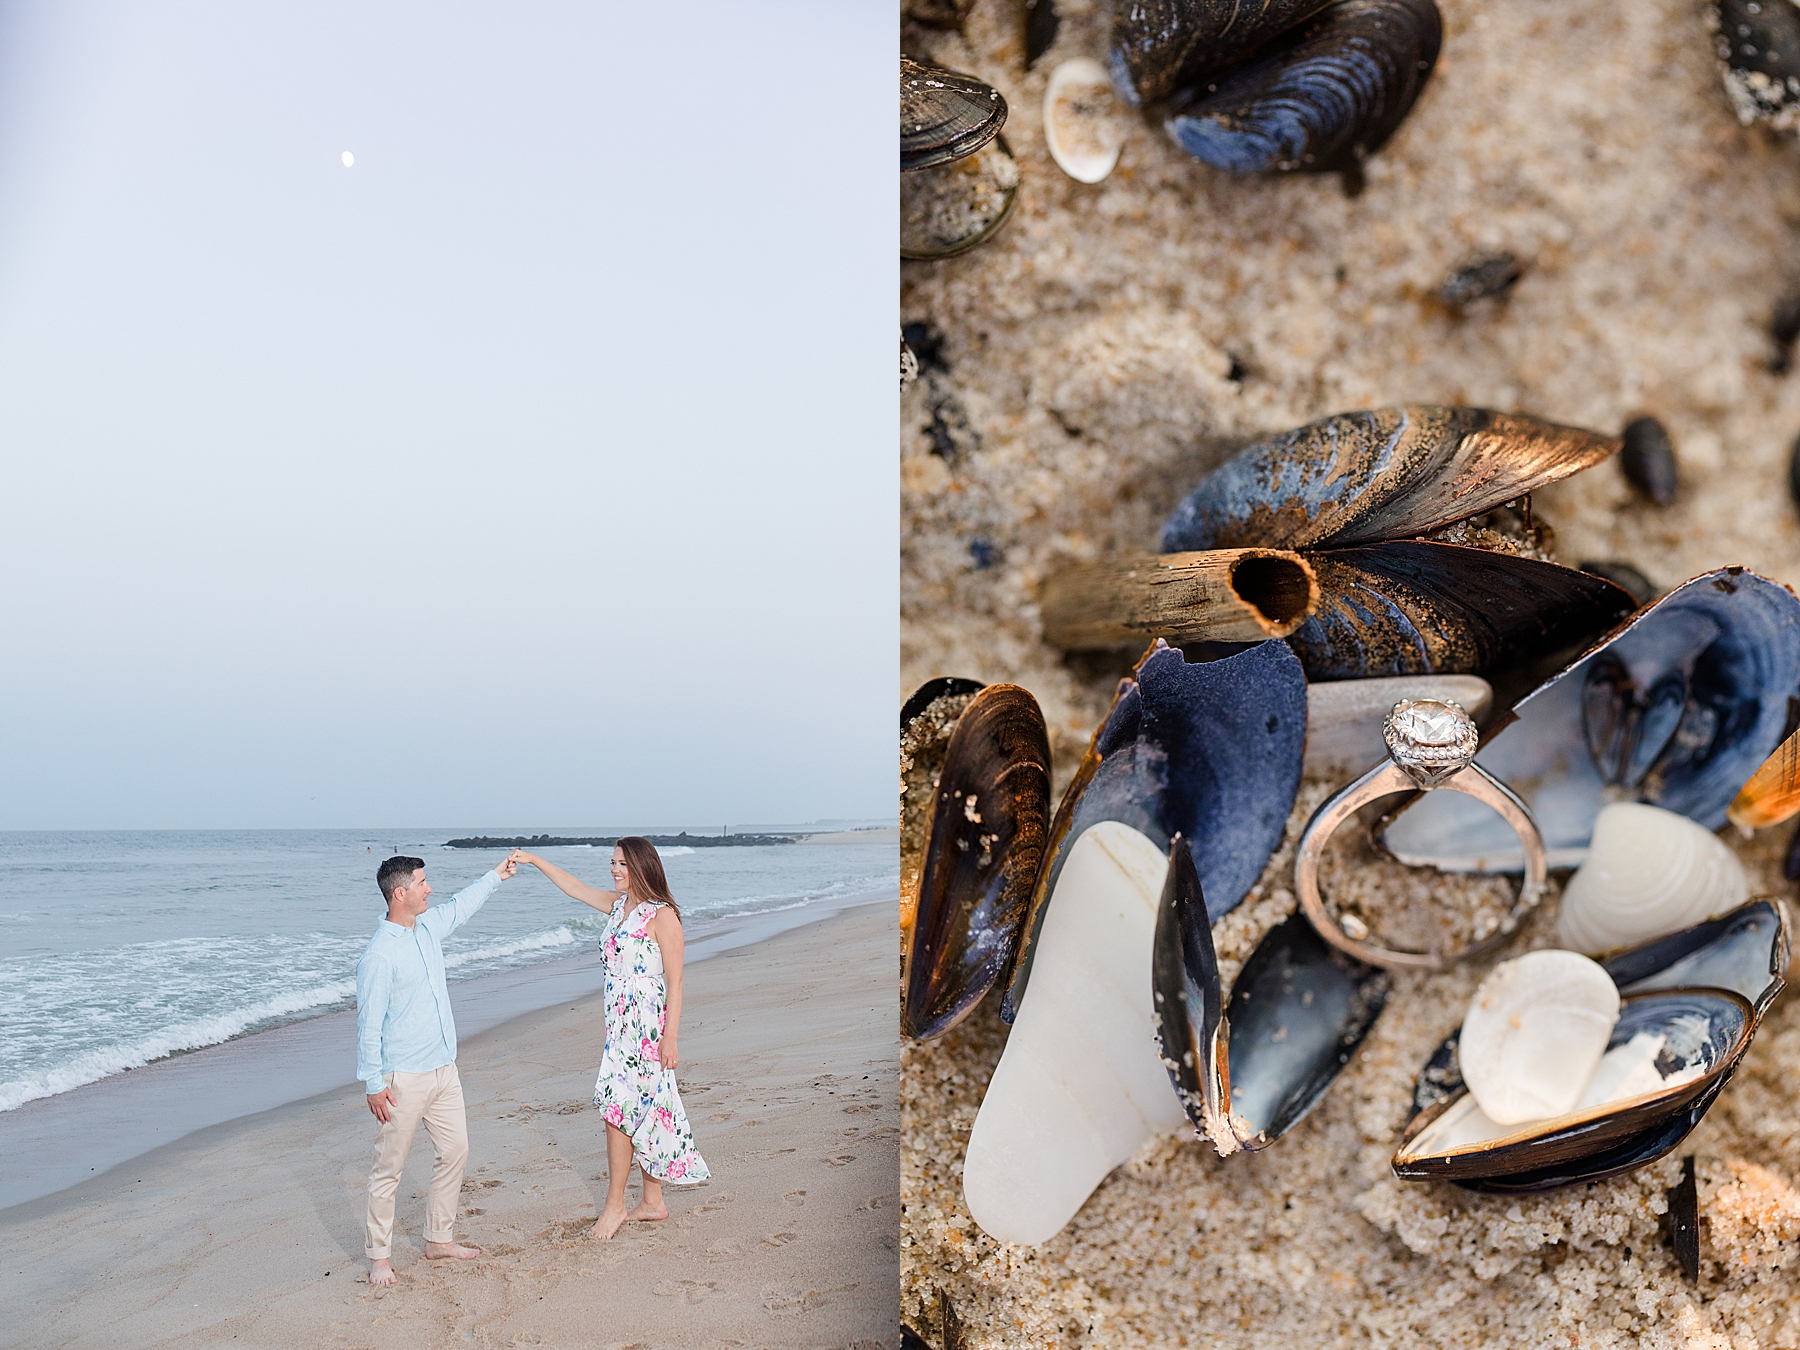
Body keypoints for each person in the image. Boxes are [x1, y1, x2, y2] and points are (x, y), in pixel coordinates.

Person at [515, 837, 710, 1239]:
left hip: (646, 1031)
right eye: (612, 862)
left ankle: (615, 1205)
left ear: (641, 866)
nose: (614, 869)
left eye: (621, 863)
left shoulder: (662, 916)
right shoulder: (618, 906)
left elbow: (676, 983)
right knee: (645, 1111)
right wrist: (534, 859)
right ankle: (652, 1201)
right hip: (619, 1028)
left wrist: (670, 1037)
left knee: (617, 1110)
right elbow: (572, 887)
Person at [355, 851, 519, 1286]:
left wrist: (496, 876)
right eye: (423, 883)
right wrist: (374, 1084)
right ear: (400, 893)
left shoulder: (427, 928)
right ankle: (379, 1258)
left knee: (456, 1151)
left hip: (444, 1070)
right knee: (388, 1169)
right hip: (401, 1079)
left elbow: (463, 905)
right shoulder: (378, 956)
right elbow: (368, 1026)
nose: (430, 888)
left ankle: (438, 1240)